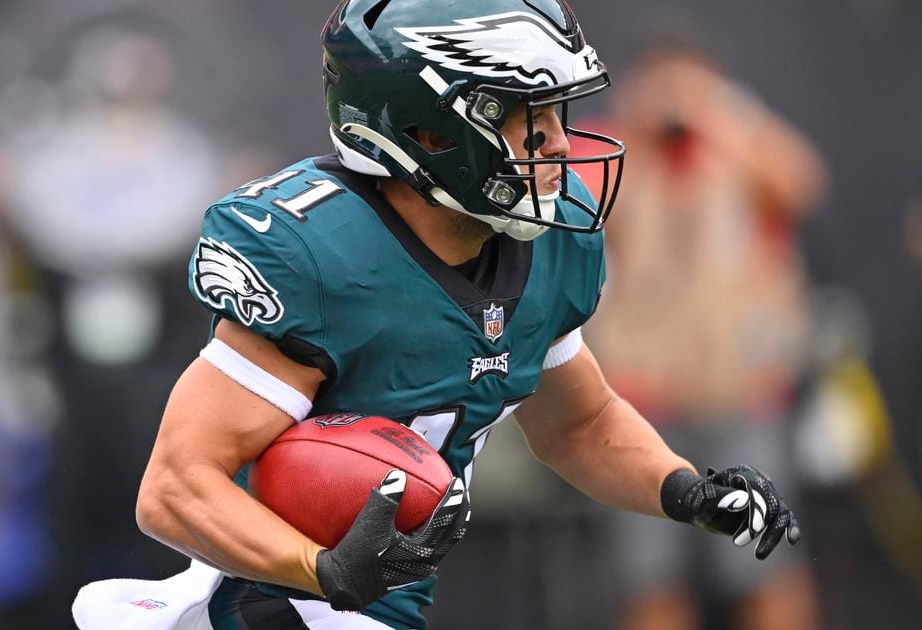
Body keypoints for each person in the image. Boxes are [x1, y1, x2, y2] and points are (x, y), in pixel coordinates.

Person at [74, 2, 802, 628]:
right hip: (270, 603)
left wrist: (687, 490)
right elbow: (174, 487)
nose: (556, 145)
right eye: (527, 119)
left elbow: (580, 424)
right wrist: (322, 568)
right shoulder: (324, 256)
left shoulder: (546, 244)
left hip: (380, 608)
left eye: (556, 114)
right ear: (428, 132)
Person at [581, 34, 827, 630]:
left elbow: (803, 185)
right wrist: (637, 129)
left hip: (739, 398)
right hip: (641, 405)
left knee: (766, 568)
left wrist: (724, 120)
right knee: (651, 579)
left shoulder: (742, 151)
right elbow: (572, 208)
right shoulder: (617, 155)